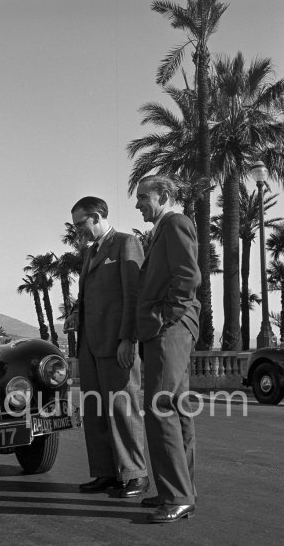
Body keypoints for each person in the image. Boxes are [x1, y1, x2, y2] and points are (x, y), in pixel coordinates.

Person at [64, 196, 149, 498]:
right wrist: (76, 313)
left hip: (117, 345)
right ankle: (106, 473)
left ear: (97, 216)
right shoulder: (90, 253)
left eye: (80, 224)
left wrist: (129, 339)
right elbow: (87, 296)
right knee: (95, 410)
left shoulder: (126, 243)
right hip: (89, 344)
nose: (78, 231)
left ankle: (135, 474)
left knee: (123, 410)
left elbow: (134, 295)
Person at [134, 175, 201, 523]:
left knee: (161, 407)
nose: (138, 204)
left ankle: (177, 495)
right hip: (169, 329)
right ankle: (177, 490)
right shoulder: (163, 228)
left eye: (143, 197)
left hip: (171, 329)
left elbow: (188, 276)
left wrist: (164, 316)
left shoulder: (175, 223)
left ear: (163, 195)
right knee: (177, 409)